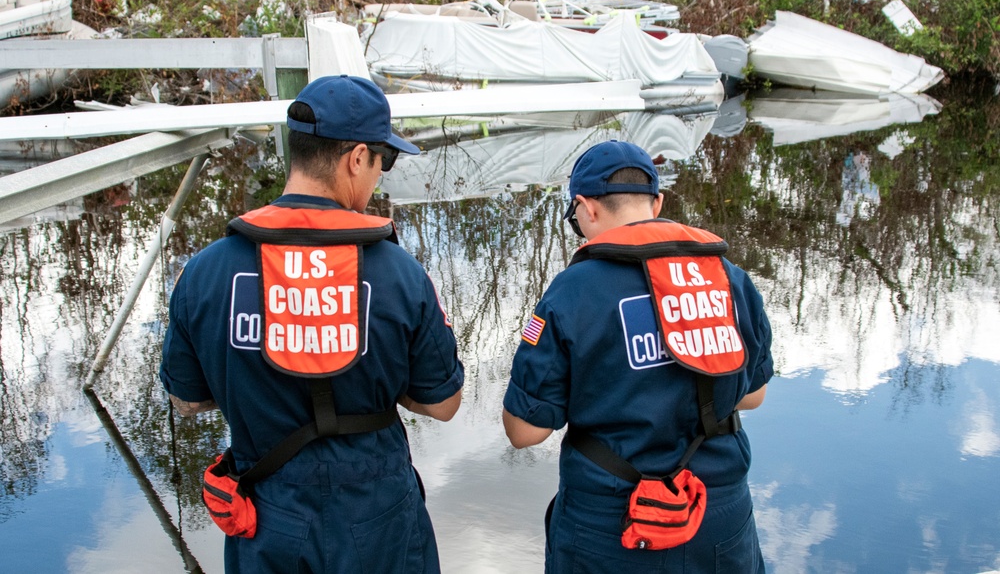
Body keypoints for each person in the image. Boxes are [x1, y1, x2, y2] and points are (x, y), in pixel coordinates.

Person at [160, 74, 464, 573]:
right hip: (378, 515)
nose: (379, 177)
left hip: (266, 513)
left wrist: (254, 375)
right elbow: (444, 403)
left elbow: (187, 401)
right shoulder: (401, 276)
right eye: (383, 162)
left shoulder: (205, 271)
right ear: (356, 158)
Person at [502, 140, 773, 573]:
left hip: (612, 521)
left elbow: (524, 432)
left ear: (585, 209)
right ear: (657, 202)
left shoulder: (573, 292)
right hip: (720, 511)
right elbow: (753, 395)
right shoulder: (728, 277)